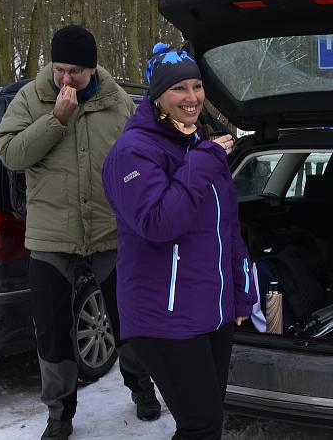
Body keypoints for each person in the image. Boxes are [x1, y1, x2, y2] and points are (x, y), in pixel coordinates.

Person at [0, 25, 161, 440]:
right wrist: (56, 120)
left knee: (129, 321)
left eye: (77, 72)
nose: (66, 79)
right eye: (61, 69)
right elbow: (11, 154)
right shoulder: (31, 98)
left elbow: (142, 151)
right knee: (51, 331)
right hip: (51, 236)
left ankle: (142, 389)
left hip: (109, 230)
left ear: (94, 68)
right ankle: (60, 413)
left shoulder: (115, 100)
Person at [101, 43, 257, 440]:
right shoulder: (132, 152)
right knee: (200, 425)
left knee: (207, 420)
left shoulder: (197, 144)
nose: (192, 98)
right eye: (179, 90)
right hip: (164, 316)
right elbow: (158, 223)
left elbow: (228, 230)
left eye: (196, 86)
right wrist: (202, 161)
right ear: (157, 97)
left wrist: (239, 294)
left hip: (212, 309)